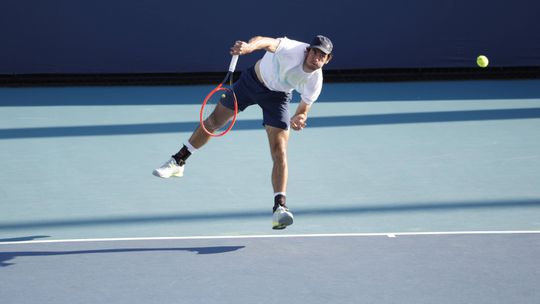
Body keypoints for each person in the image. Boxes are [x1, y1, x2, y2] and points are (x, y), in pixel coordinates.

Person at [153, 35, 333, 229]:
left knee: (279, 151)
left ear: (327, 59)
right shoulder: (293, 49)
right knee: (213, 122)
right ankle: (179, 160)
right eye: (314, 51)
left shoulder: (316, 81)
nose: (317, 57)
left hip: (278, 97)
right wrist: (249, 47)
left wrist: (300, 118)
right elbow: (266, 41)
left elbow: (303, 110)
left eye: (322, 55)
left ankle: (279, 208)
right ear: (308, 51)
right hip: (250, 83)